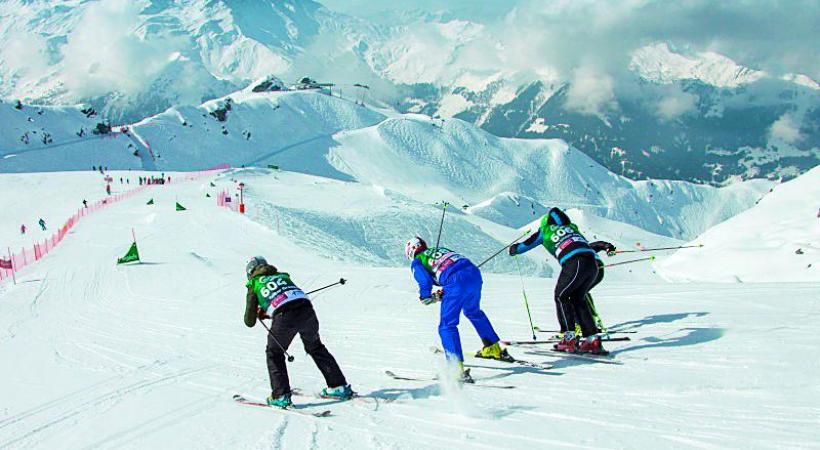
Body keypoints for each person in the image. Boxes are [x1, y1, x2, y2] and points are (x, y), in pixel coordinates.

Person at [244, 256, 352, 408]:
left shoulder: (254, 284)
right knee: (316, 347)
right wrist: (269, 310)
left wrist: (259, 311)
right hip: (307, 310)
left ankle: (280, 396)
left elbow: (249, 322)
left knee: (274, 353)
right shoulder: (281, 276)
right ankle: (338, 386)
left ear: (250, 272)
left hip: (285, 317)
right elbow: (284, 298)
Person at [508, 207, 614, 355]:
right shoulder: (571, 227)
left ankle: (569, 338)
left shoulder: (544, 231)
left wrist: (513, 249)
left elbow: (525, 245)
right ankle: (592, 340)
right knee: (578, 298)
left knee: (561, 296)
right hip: (593, 264)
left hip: (574, 262)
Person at [406, 236, 511, 383]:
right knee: (473, 312)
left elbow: (424, 280)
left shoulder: (417, 261)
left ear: (410, 251)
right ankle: (494, 348)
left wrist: (425, 296)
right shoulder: (439, 250)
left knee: (447, 325)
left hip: (455, 282)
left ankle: (456, 369)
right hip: (473, 274)